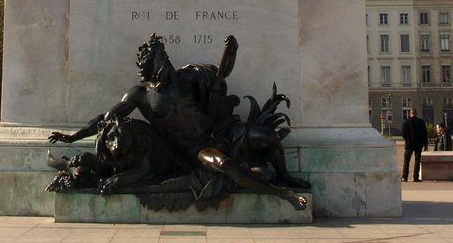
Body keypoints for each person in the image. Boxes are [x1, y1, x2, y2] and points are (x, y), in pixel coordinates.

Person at [50, 34, 309, 210]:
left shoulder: (187, 77)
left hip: (222, 131)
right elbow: (105, 119)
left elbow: (220, 77)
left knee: (269, 138)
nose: (161, 66)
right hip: (195, 149)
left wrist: (231, 51)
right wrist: (73, 137)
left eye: (161, 59)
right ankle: (283, 194)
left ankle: (286, 177)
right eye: (154, 63)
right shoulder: (140, 94)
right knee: (224, 165)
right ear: (150, 67)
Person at [400, 108, 429, 182]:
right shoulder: (421, 122)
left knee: (406, 161)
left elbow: (403, 133)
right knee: (417, 160)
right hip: (418, 144)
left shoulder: (406, 122)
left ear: (410, 113)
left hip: (409, 144)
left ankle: (404, 177)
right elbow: (424, 134)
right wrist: (425, 144)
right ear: (416, 113)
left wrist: (407, 139)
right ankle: (415, 177)